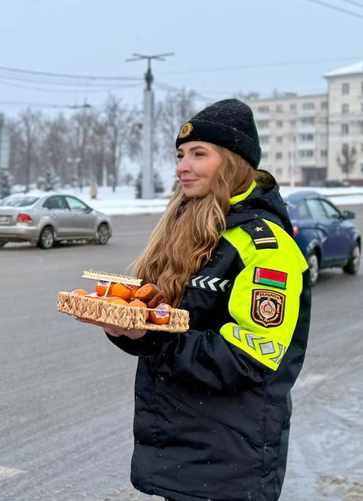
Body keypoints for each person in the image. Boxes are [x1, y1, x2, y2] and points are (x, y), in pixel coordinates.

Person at [90, 99, 311, 500]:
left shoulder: (267, 246)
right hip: (181, 448)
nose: (182, 166)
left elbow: (253, 356)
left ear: (232, 161)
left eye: (198, 153)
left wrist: (156, 335)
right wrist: (130, 328)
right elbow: (167, 325)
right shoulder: (188, 231)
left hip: (231, 460)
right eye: (179, 154)